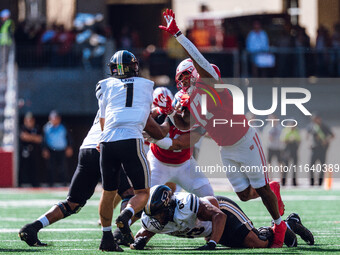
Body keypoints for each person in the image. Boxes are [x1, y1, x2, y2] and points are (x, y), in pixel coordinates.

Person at [157, 9, 286, 248]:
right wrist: (170, 113)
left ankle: (280, 224)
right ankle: (272, 191)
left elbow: (199, 59)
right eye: (180, 80)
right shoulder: (192, 100)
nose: (183, 83)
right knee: (245, 195)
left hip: (244, 139)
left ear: (196, 73)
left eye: (186, 77)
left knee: (261, 186)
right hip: (225, 148)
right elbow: (185, 126)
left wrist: (178, 35)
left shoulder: (211, 84)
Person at [18, 101, 167, 247]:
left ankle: (33, 227)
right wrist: (170, 119)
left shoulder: (112, 100)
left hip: (87, 148)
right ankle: (119, 234)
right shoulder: (133, 104)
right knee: (129, 194)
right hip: (108, 146)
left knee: (72, 203)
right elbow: (156, 131)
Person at [96, 50, 168, 251]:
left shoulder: (104, 85)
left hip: (107, 139)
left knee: (108, 192)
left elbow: (104, 120)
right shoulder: (146, 86)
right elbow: (147, 121)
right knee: (142, 192)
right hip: (130, 139)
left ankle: (106, 237)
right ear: (135, 67)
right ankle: (126, 215)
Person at [130, 185, 314, 250]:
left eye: (161, 213)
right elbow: (144, 234)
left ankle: (290, 223)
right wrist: (138, 243)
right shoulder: (153, 219)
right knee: (246, 245)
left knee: (257, 243)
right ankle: (289, 227)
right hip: (211, 229)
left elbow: (218, 215)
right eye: (155, 215)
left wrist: (212, 243)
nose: (159, 219)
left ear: (169, 205)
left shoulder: (185, 204)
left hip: (222, 212)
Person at [42, 110, 73, 186]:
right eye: (53, 118)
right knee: (51, 167)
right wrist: (44, 149)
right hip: (51, 150)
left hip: (62, 150)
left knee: (63, 167)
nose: (54, 120)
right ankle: (51, 183)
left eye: (56, 118)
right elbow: (43, 139)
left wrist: (69, 147)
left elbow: (69, 137)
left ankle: (64, 183)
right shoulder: (46, 128)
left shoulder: (63, 127)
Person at [307, 114, 334, 186]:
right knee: (311, 166)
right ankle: (312, 182)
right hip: (314, 149)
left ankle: (320, 182)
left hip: (322, 149)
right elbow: (307, 135)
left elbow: (332, 135)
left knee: (322, 166)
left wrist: (326, 140)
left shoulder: (324, 126)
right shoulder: (311, 126)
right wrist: (309, 142)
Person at [18, 112, 43, 187]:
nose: (29, 122)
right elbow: (23, 136)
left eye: (31, 120)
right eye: (28, 120)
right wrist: (33, 137)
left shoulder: (37, 128)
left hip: (34, 151)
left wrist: (29, 137)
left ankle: (35, 184)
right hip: (24, 151)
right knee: (23, 167)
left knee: (35, 167)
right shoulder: (22, 127)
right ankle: (20, 183)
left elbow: (40, 139)